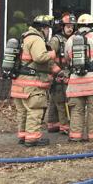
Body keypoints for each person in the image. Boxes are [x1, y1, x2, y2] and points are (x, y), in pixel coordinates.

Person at [10, 14, 59, 147]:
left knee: (23, 112)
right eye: (48, 29)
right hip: (31, 84)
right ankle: (32, 139)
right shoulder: (36, 39)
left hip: (19, 83)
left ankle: (23, 136)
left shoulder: (24, 37)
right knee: (34, 110)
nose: (49, 32)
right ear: (43, 28)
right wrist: (53, 53)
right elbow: (39, 57)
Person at [64, 14, 93, 142]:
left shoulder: (70, 40)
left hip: (75, 82)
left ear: (78, 26)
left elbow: (67, 59)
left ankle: (75, 136)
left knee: (76, 111)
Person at [46, 13, 74, 134]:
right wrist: (58, 71)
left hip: (68, 74)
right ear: (62, 27)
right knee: (61, 101)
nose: (70, 28)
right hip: (58, 76)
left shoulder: (73, 39)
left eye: (72, 26)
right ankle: (64, 126)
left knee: (55, 100)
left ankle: (53, 123)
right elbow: (48, 58)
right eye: (67, 26)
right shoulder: (56, 40)